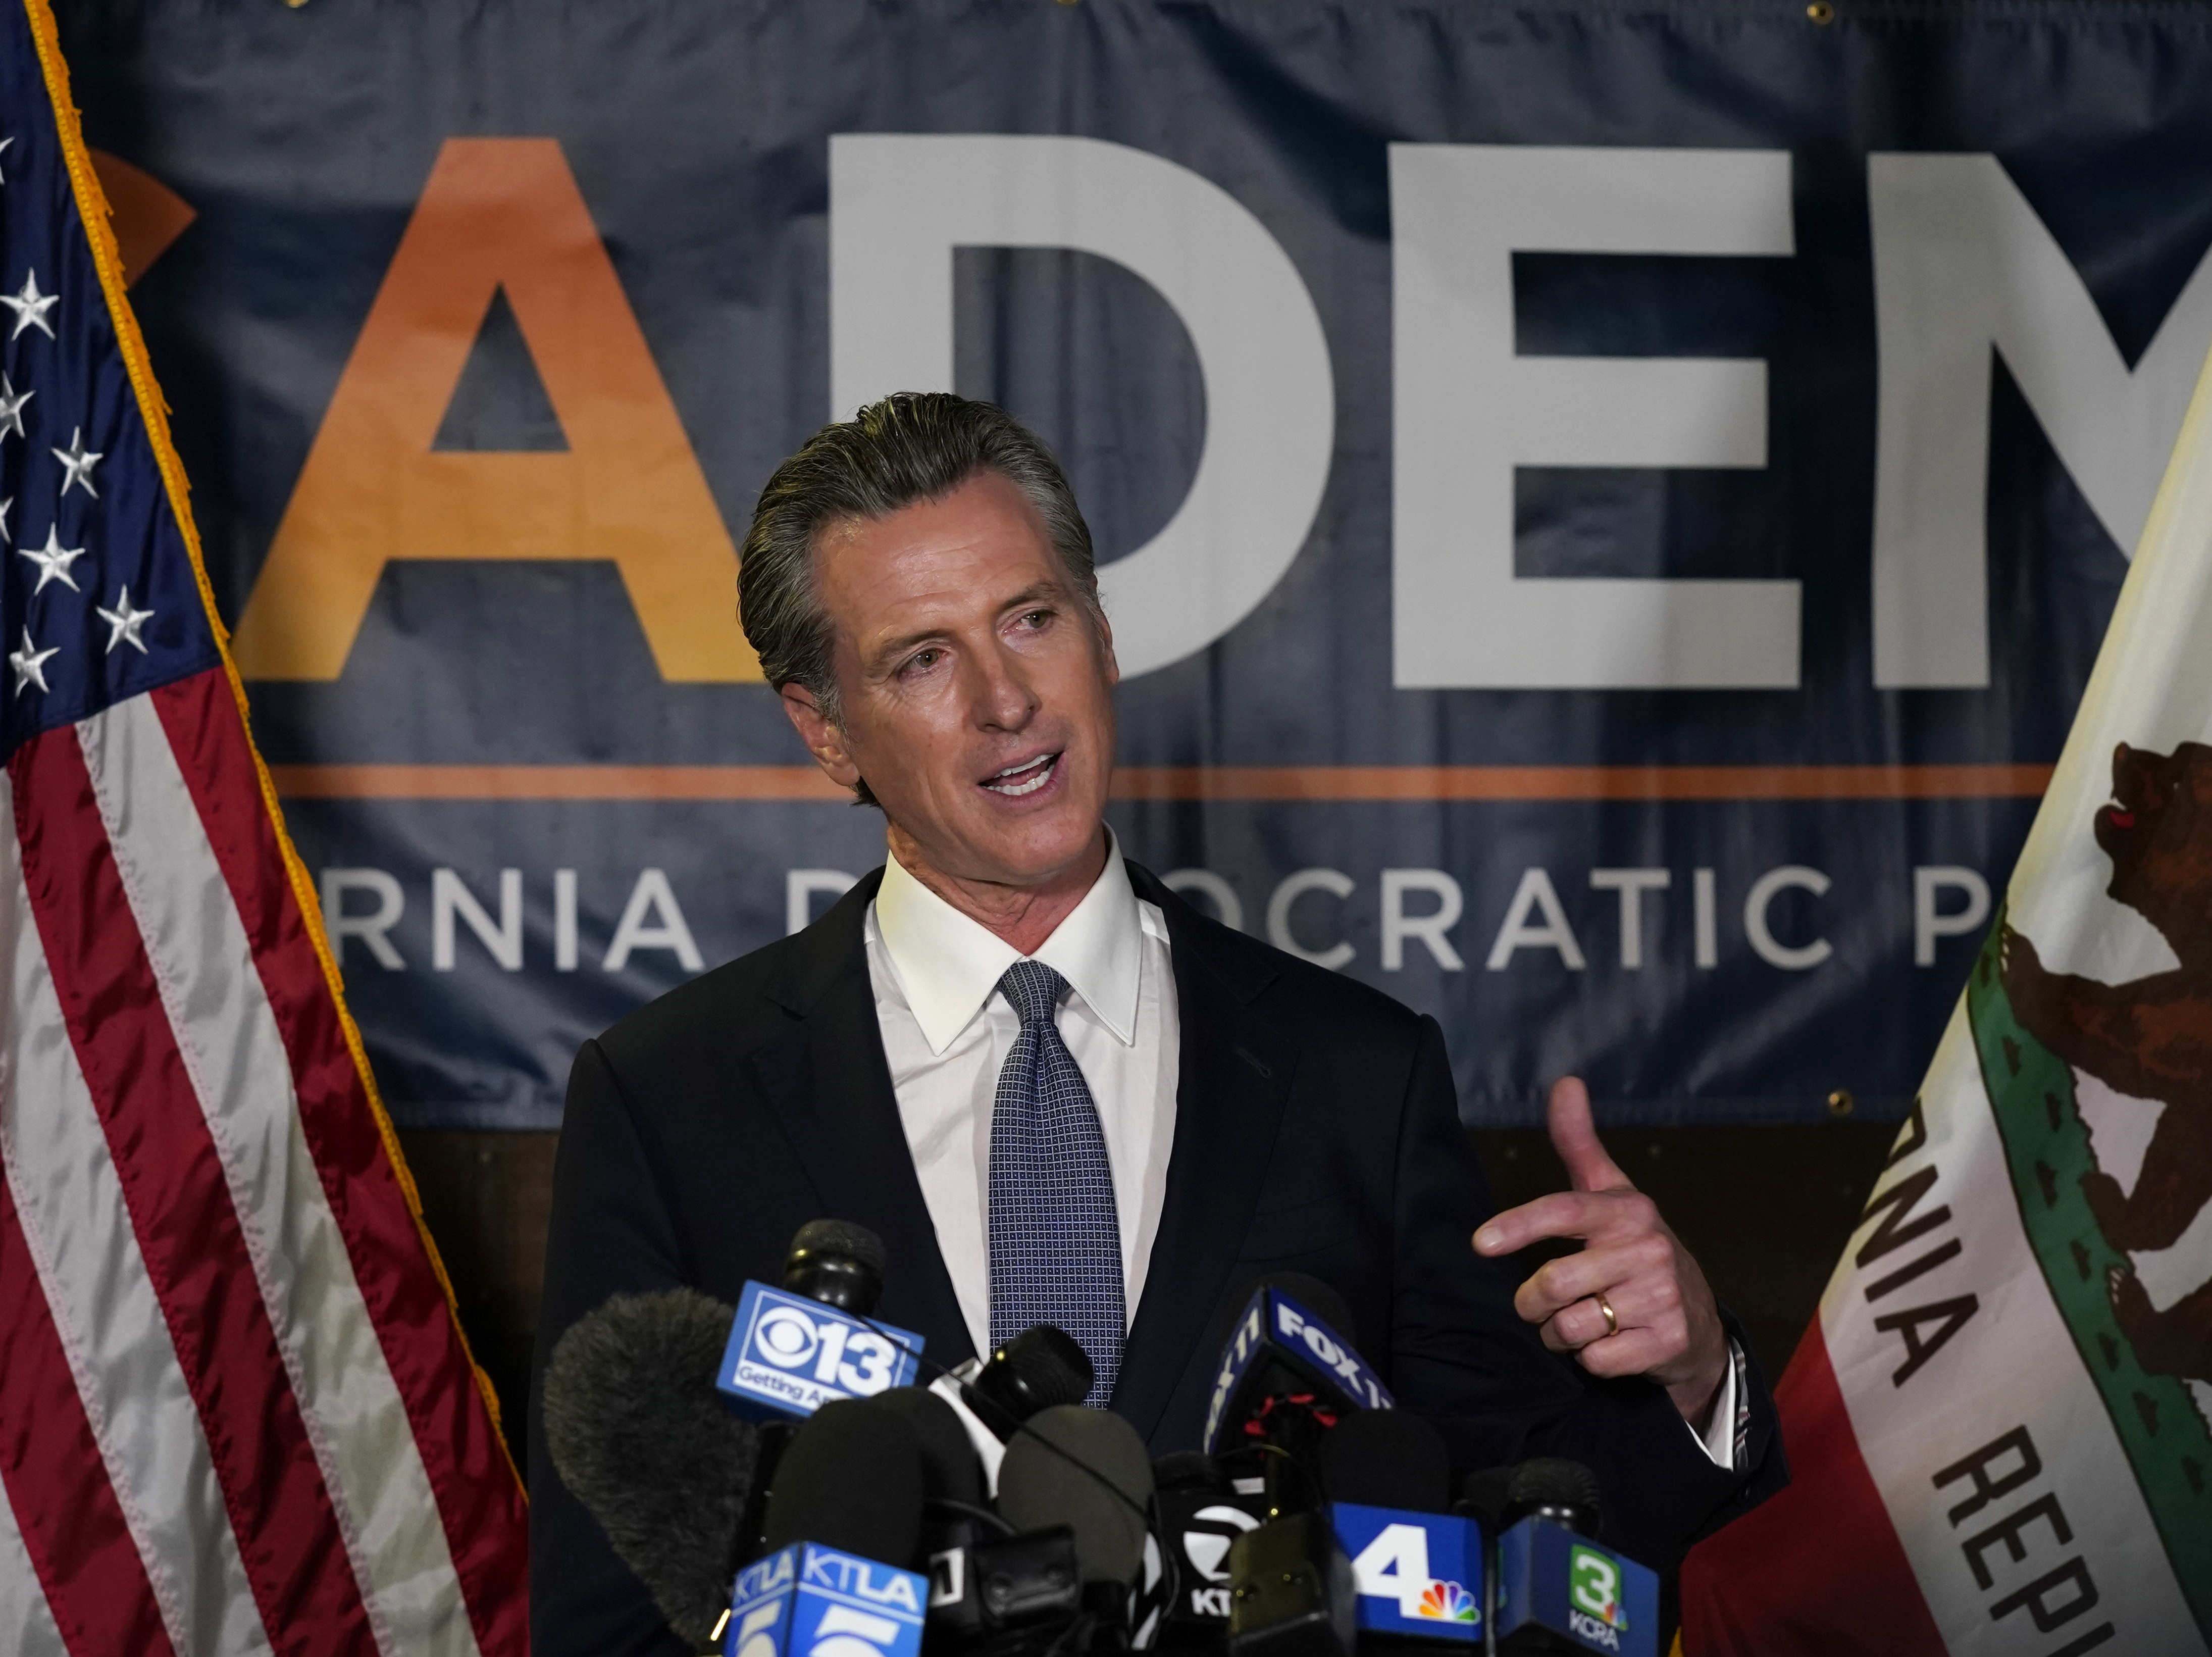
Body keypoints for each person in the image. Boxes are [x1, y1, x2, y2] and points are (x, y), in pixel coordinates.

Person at [528, 393, 1785, 1655]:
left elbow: (1525, 1548)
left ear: (1102, 635)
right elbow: (610, 1616)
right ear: (825, 730)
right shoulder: (670, 1101)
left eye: (1031, 619)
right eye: (922, 659)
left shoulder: (1357, 1073)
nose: (1006, 699)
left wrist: (1689, 1381)